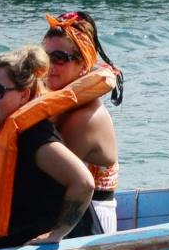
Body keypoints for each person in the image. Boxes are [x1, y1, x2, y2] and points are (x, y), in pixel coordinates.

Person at [0, 47, 96, 250]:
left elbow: (84, 182)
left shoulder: (36, 138)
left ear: (24, 95)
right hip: (8, 247)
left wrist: (56, 234)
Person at [41, 12, 123, 235]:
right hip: (61, 208)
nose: (49, 66)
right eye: (44, 57)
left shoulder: (86, 118)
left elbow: (47, 181)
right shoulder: (56, 104)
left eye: (59, 58)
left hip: (88, 219)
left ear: (84, 66)